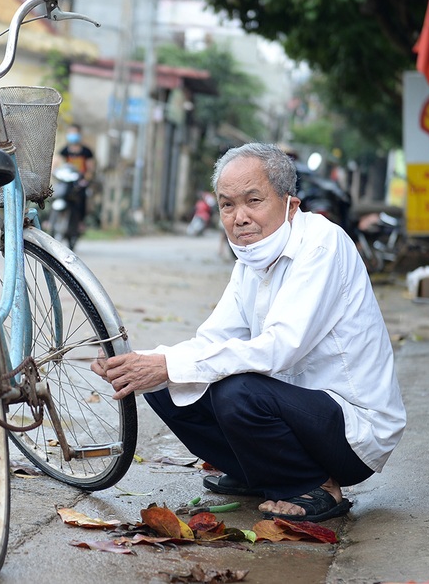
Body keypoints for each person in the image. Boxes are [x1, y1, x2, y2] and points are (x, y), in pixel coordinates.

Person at [91, 142, 406, 523]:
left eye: (253, 200)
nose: (239, 217)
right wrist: (143, 363)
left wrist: (168, 364)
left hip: (354, 435)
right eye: (227, 205)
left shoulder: (323, 245)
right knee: (164, 383)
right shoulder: (251, 260)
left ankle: (315, 485)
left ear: (290, 205)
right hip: (296, 413)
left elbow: (278, 350)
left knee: (234, 392)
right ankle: (256, 472)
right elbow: (212, 340)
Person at [58, 124, 95, 231]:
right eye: (71, 133)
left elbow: (90, 168)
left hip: (80, 181)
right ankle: (52, 219)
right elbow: (56, 163)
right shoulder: (65, 150)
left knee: (82, 198)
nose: (73, 135)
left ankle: (80, 222)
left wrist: (86, 179)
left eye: (75, 133)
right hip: (67, 180)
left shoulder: (86, 152)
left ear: (79, 134)